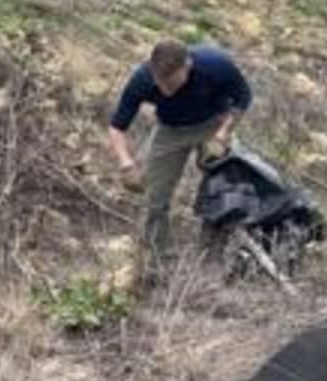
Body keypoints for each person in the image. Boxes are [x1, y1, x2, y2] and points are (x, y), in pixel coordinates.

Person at [106, 40, 252, 281]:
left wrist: (223, 134)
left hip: (212, 122)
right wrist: (126, 164)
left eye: (172, 82)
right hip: (170, 130)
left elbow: (243, 98)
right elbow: (116, 127)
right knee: (155, 198)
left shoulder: (215, 65)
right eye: (160, 83)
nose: (165, 89)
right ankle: (159, 264)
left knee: (225, 186)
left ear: (188, 66)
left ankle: (214, 252)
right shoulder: (142, 79)